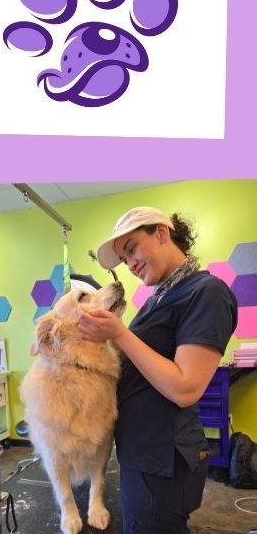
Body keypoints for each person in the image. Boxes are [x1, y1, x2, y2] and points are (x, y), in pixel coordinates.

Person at [76, 205, 238, 534]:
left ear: (162, 233)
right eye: (124, 259)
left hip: (164, 456)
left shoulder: (206, 293)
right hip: (141, 449)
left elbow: (185, 388)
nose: (131, 264)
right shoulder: (158, 298)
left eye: (132, 248)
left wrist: (119, 333)